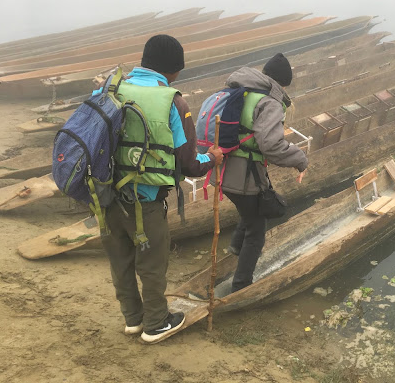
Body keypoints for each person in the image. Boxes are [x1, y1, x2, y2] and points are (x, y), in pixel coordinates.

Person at [100, 34, 223, 344]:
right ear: (174, 71)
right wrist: (213, 158)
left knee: (121, 260)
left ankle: (133, 319)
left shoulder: (110, 89)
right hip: (146, 201)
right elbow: (189, 163)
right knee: (152, 265)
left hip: (105, 196)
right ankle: (156, 324)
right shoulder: (173, 101)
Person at [221, 53, 308, 293]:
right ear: (281, 82)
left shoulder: (241, 91)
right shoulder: (269, 102)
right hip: (245, 174)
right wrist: (300, 159)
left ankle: (234, 250)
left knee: (249, 211)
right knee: (257, 231)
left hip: (223, 168)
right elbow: (271, 146)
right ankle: (241, 287)